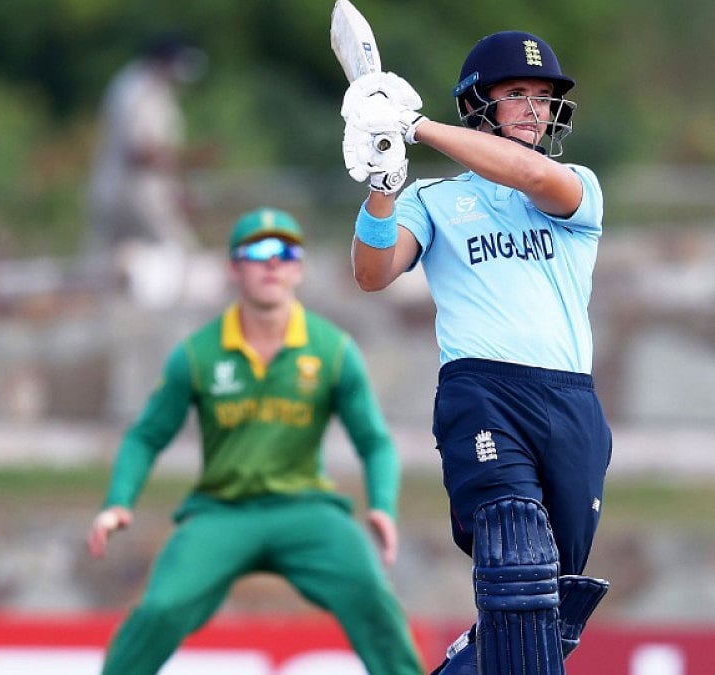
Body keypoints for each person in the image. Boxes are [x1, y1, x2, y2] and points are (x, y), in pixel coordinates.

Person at [338, 31, 611, 675]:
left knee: (547, 611)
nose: (533, 108)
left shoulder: (575, 186)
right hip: (483, 393)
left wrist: (414, 126)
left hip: (572, 404)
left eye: (544, 98)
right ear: (478, 104)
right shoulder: (433, 199)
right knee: (515, 561)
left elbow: (530, 173)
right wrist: (382, 180)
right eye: (515, 93)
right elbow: (374, 273)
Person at [86, 207, 425, 675]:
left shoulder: (332, 349)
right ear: (233, 268)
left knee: (372, 597)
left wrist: (383, 506)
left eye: (285, 252)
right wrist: (118, 501)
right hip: (222, 511)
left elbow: (374, 440)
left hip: (306, 509)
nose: (272, 263)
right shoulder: (199, 353)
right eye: (258, 252)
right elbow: (147, 434)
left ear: (299, 269)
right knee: (160, 609)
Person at [85, 33, 209, 272]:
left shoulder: (153, 90)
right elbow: (140, 152)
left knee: (109, 267)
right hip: (130, 193)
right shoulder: (136, 89)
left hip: (131, 192)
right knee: (181, 254)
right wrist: (187, 161)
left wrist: (179, 188)